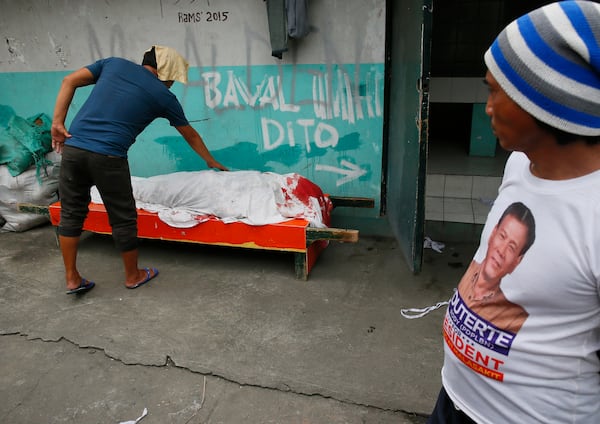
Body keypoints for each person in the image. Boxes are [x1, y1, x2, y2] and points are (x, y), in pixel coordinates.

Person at [428, 1, 600, 423]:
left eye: (493, 90)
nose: (486, 106)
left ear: (544, 100)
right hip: (454, 402)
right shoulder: (520, 164)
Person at [50, 45, 228, 295]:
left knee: (71, 213)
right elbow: (190, 134)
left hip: (73, 148)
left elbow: (69, 80)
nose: (172, 85)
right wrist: (210, 160)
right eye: (173, 79)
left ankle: (72, 278)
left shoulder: (113, 64)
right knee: (123, 217)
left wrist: (57, 122)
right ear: (164, 72)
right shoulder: (164, 96)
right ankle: (133, 275)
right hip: (109, 156)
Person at [458, 202, 535, 333]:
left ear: (517, 261)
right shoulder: (471, 271)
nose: (501, 250)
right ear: (493, 233)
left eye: (511, 248)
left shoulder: (514, 317)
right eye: (502, 236)